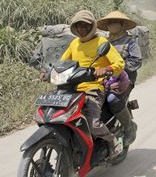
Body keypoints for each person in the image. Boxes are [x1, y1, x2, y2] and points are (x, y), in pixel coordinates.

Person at [50, 10, 125, 158]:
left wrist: (106, 69)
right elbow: (62, 63)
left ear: (92, 26)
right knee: (58, 116)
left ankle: (112, 141)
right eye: (79, 26)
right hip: (71, 88)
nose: (82, 29)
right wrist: (49, 72)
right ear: (75, 28)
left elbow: (120, 63)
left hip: (94, 88)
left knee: (93, 123)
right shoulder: (74, 44)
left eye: (85, 26)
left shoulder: (101, 43)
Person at [97, 11, 142, 146]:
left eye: (114, 22)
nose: (111, 25)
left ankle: (129, 127)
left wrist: (118, 70)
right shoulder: (103, 42)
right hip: (104, 79)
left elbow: (136, 61)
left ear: (122, 25)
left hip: (124, 80)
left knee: (112, 99)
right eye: (109, 23)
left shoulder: (130, 43)